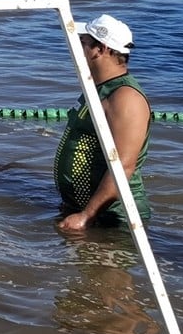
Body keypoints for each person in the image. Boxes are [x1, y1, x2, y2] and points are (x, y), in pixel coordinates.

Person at [54, 14, 152, 231]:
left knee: (107, 267)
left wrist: (87, 216)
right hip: (85, 211)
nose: (77, 48)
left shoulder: (125, 97)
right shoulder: (97, 88)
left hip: (113, 219)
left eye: (83, 43)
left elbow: (124, 166)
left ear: (101, 49)